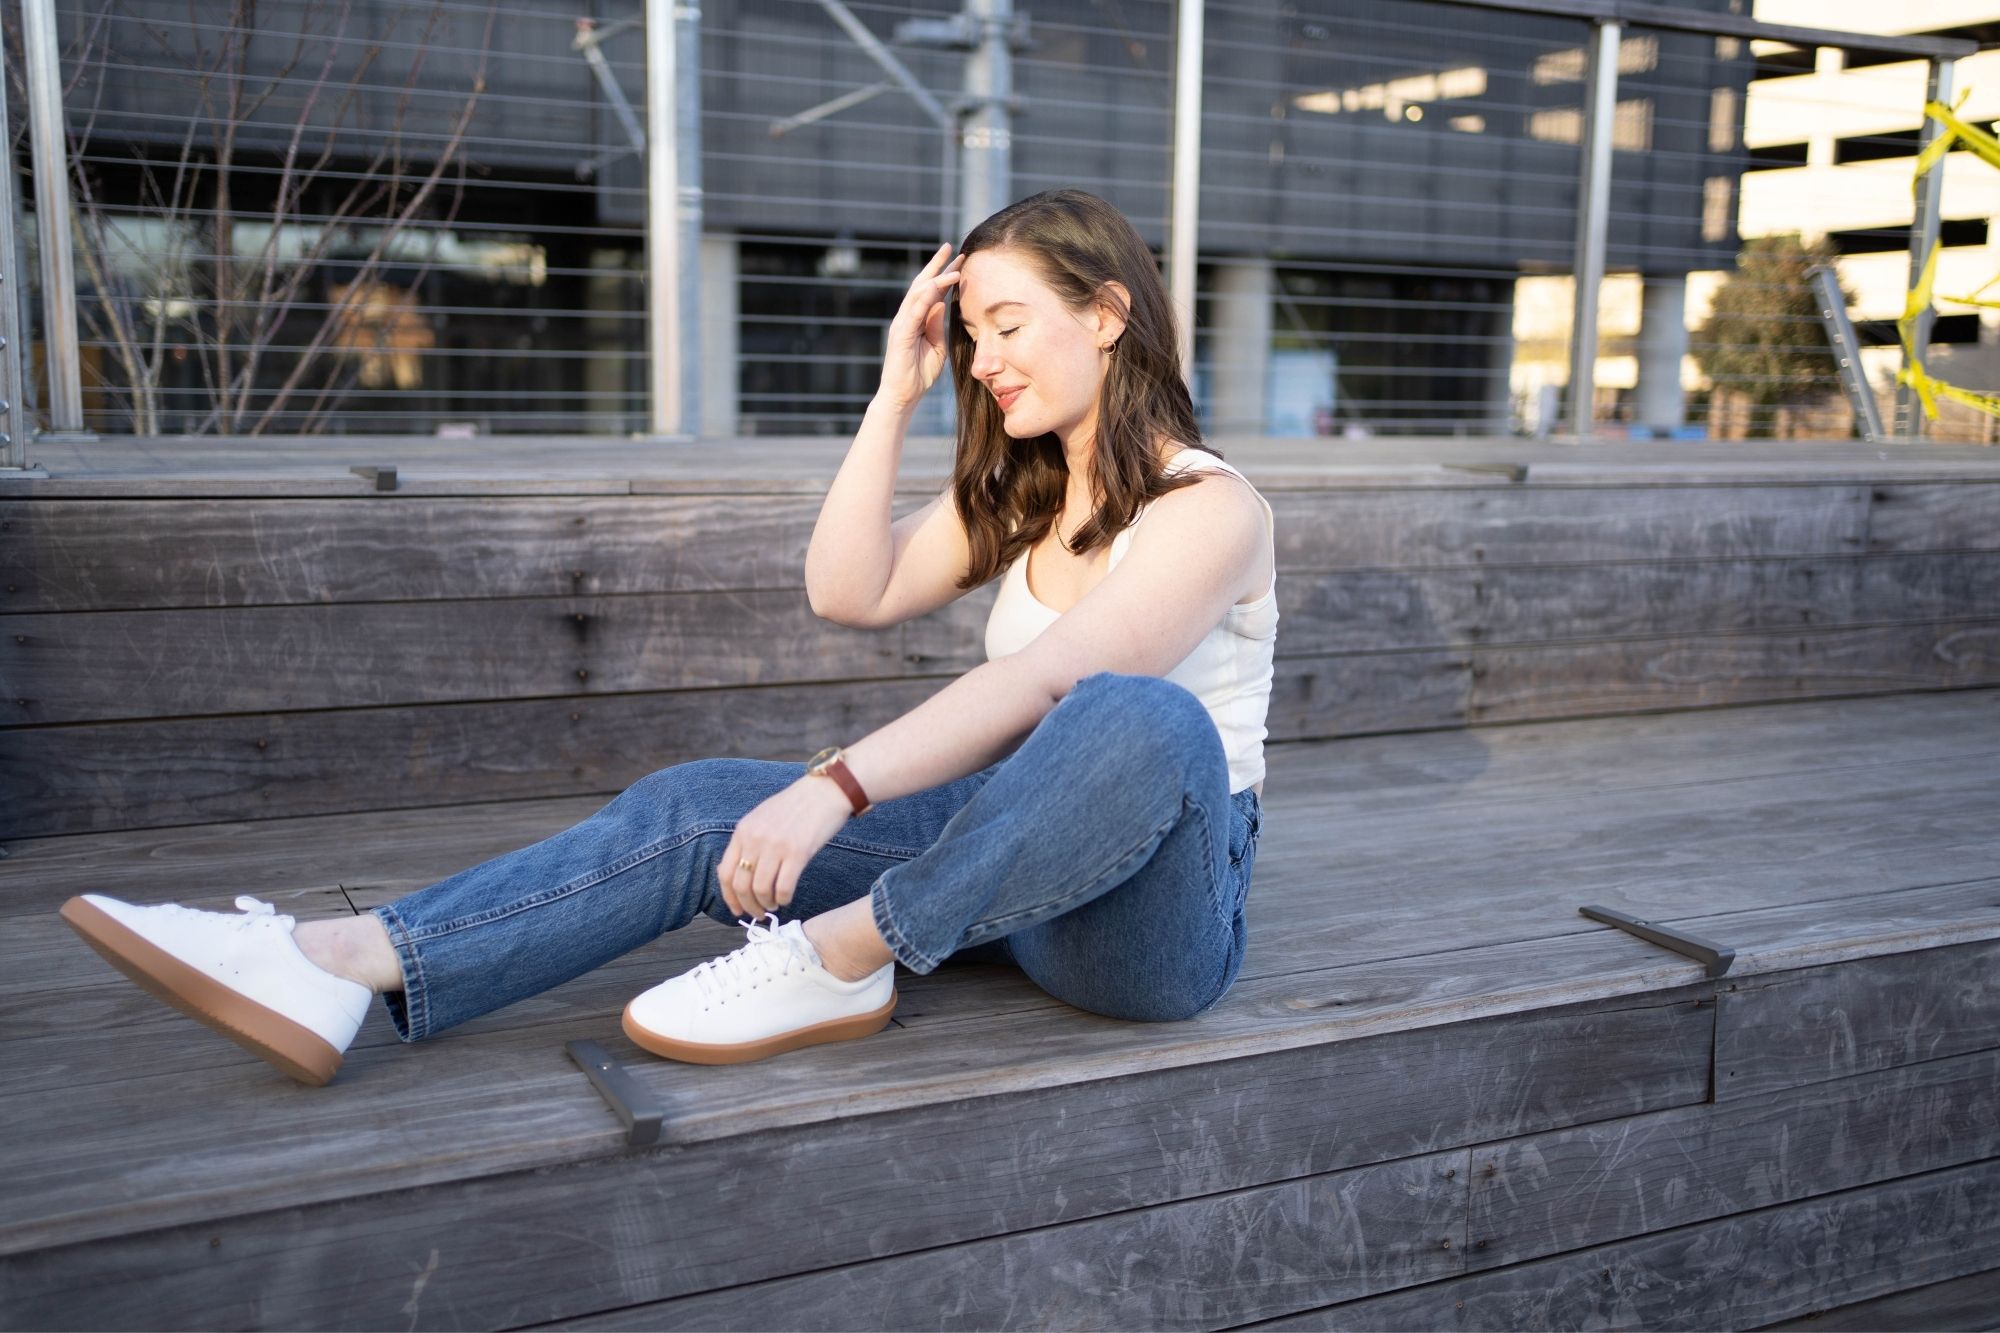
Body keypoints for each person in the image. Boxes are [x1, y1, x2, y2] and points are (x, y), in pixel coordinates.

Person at [58, 188, 1278, 1087]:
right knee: (704, 805)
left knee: (1133, 713)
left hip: (1147, 924)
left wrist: (836, 789)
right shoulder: (1022, 496)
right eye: (970, 336)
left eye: (1007, 324)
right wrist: (894, 393)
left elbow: (1052, 672)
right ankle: (340, 961)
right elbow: (844, 589)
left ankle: (845, 952)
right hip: (993, 873)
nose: (984, 359)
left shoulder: (1209, 506)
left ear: (1108, 313)